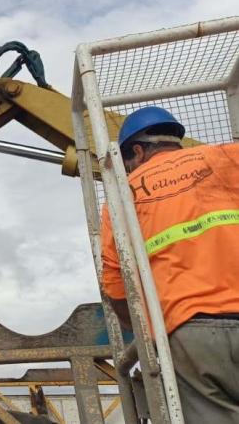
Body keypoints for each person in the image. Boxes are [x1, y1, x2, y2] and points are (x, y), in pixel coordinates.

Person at [100, 106, 239, 423]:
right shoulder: (229, 156)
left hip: (191, 332)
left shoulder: (126, 192)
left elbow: (116, 285)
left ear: (137, 150)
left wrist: (143, 331)